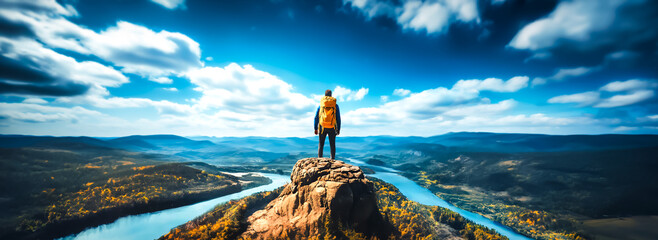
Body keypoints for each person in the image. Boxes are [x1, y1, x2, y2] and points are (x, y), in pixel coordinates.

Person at [314, 89, 341, 159]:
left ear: (325, 95)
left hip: (322, 127)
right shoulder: (335, 106)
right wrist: (338, 129)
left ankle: (320, 158)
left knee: (321, 144)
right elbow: (338, 118)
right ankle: (332, 159)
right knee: (332, 144)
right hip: (332, 127)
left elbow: (316, 117)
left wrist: (315, 128)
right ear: (331, 95)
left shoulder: (321, 105)